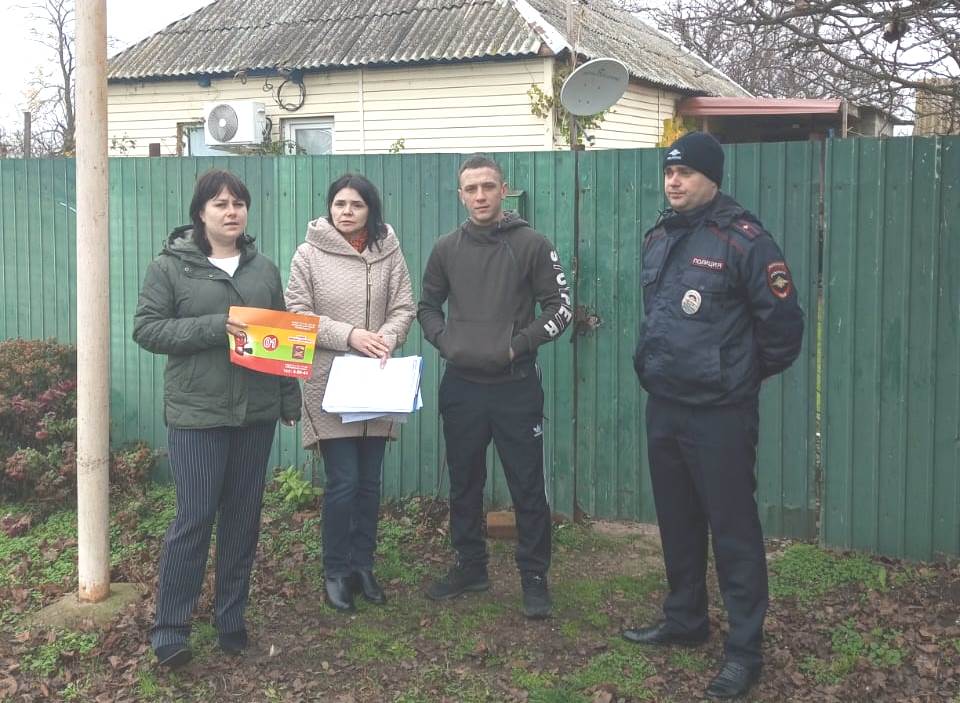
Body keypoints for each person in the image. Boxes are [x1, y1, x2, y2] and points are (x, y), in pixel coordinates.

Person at [624, 132, 804, 699]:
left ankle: (745, 650)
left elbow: (784, 330)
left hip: (720, 413)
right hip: (665, 405)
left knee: (733, 530)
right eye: (668, 172)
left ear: (712, 178)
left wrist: (738, 376)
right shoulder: (660, 237)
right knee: (677, 521)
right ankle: (685, 619)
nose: (674, 181)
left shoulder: (746, 241)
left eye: (685, 173)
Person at [132, 169, 301, 669]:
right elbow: (148, 330)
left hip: (255, 414)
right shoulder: (170, 267)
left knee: (243, 518)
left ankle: (231, 619)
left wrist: (288, 401)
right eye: (221, 204)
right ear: (200, 212)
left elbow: (281, 339)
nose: (232, 212)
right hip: (197, 415)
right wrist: (215, 326)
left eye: (238, 204)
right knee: (195, 518)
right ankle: (171, 628)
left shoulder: (263, 270)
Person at [418, 155, 572, 619]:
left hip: (515, 386)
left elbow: (560, 308)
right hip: (461, 387)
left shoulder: (532, 244)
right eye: (471, 188)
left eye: (488, 186)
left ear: (504, 190)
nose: (480, 195)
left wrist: (516, 346)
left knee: (527, 486)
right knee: (464, 483)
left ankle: (534, 578)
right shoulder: (445, 248)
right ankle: (471, 567)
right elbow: (427, 307)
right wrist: (446, 342)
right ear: (460, 195)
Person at [285, 173, 415, 613]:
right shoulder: (308, 254)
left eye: (356, 205)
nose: (346, 211)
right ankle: (336, 570)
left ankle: (363, 566)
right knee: (344, 482)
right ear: (329, 207)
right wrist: (350, 335)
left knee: (370, 483)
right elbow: (297, 314)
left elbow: (404, 306)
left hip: (377, 381)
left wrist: (387, 338)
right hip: (330, 383)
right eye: (339, 204)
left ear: (370, 210)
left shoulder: (389, 252)